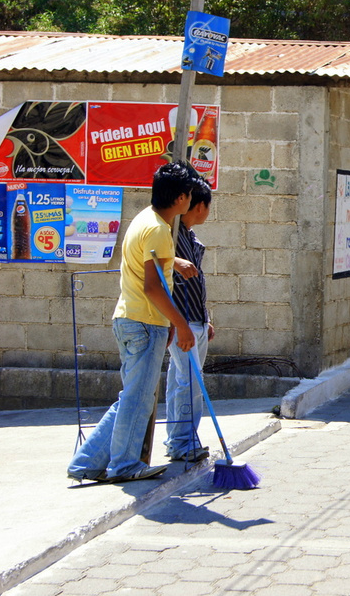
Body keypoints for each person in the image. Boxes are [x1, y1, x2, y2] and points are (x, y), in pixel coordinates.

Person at [67, 162, 196, 483]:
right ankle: (124, 465)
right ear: (180, 198)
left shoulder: (144, 220)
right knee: (138, 399)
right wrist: (179, 324)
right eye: (190, 194)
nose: (191, 199)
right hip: (143, 323)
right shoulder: (158, 230)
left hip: (131, 320)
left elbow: (148, 267)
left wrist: (174, 263)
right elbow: (152, 286)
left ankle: (86, 462)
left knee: (133, 396)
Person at [164, 176, 213, 463]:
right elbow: (156, 264)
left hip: (196, 319)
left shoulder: (190, 237)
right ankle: (183, 442)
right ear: (201, 206)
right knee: (190, 383)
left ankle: (177, 438)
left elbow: (198, 282)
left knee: (182, 380)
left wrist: (207, 318)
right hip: (182, 321)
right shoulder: (171, 233)